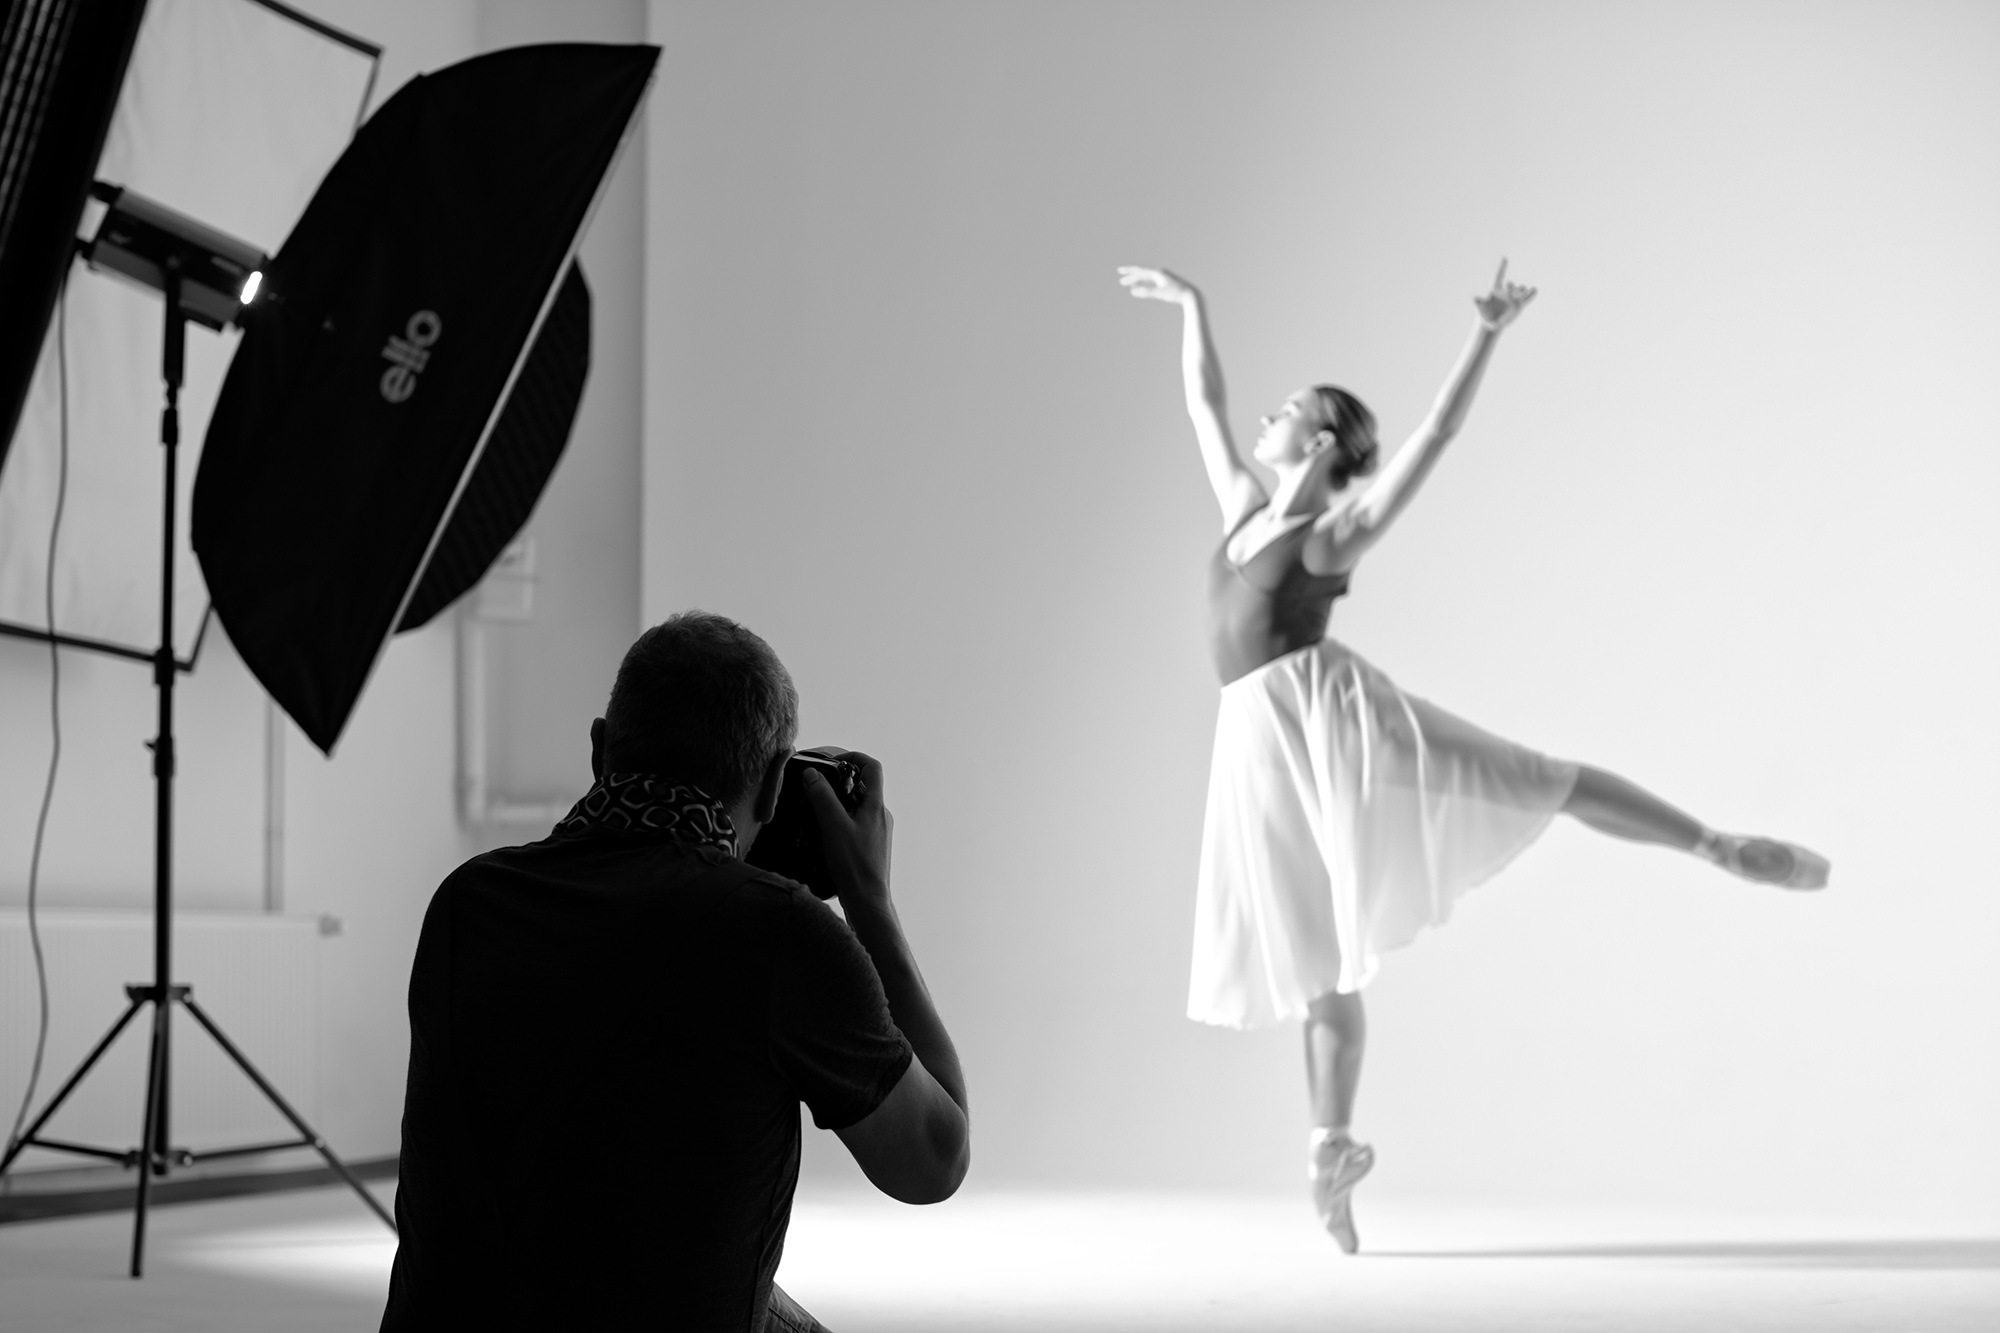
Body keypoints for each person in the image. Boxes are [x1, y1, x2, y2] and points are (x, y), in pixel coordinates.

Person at [1118, 261, 1827, 1255]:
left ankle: (1717, 844)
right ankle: (1329, 1150)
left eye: (1289, 410)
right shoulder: (1242, 506)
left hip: (1336, 723)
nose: (1264, 417)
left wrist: (1483, 336)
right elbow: (1204, 399)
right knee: (1323, 965)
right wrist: (1191, 304)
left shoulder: (1333, 532)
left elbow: (1434, 437)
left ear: (1318, 443)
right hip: (1257, 748)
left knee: (1539, 779)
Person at [379, 611, 968, 1332]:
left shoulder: (468, 902)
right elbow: (934, 1161)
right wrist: (870, 901)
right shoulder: (778, 931)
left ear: (600, 748)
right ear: (775, 783)